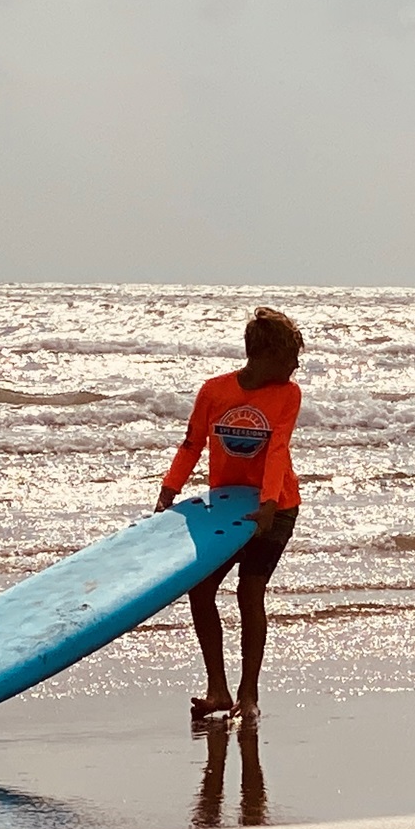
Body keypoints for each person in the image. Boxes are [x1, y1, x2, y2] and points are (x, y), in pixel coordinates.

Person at [159, 306, 305, 726]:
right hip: (225, 509)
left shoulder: (287, 395)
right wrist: (169, 490)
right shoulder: (214, 392)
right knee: (201, 590)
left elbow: (277, 448)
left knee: (249, 592)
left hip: (276, 508)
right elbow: (192, 445)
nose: (296, 365)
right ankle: (218, 689)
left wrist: (269, 503)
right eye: (290, 356)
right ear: (265, 356)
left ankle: (249, 694)